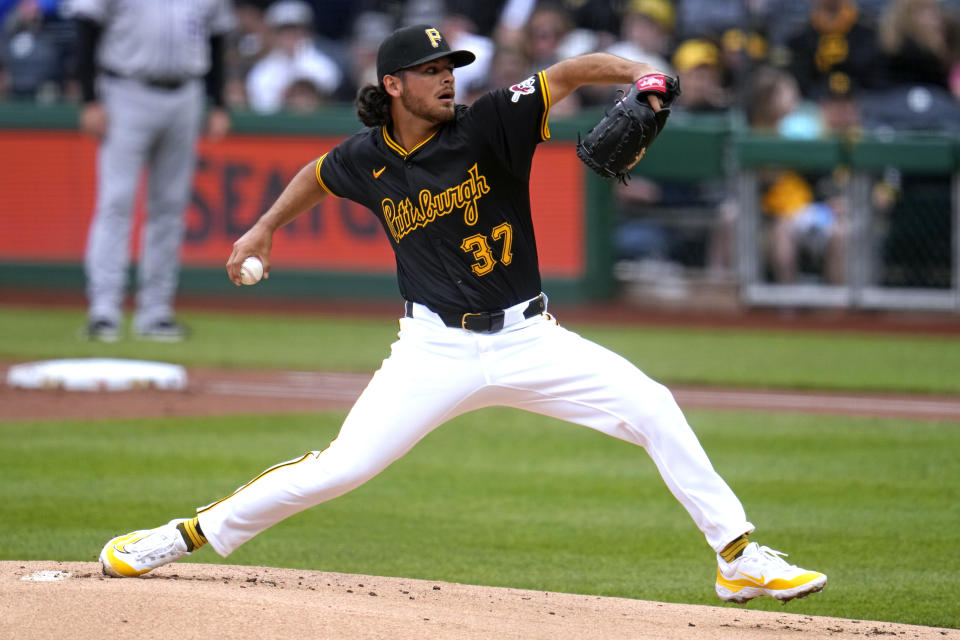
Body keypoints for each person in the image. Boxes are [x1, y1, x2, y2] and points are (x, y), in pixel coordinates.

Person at [97, 24, 828, 606]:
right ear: (393, 85)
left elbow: (570, 73)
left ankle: (739, 558)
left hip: (531, 337)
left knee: (654, 407)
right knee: (338, 470)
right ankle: (181, 535)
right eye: (431, 69)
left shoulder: (489, 125)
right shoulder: (367, 157)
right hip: (432, 351)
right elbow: (316, 175)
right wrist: (262, 229)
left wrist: (646, 76)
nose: (448, 76)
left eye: (451, 65)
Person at [72, 0, 235, 342]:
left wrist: (218, 102)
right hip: (126, 90)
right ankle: (104, 311)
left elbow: (217, 38)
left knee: (170, 208)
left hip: (186, 94)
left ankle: (156, 312)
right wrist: (89, 98)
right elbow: (86, 28)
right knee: (116, 202)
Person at [245, 0, 341, 114]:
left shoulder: (325, 67)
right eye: (283, 31)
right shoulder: (261, 72)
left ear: (307, 31)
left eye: (295, 30)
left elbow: (327, 106)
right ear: (274, 34)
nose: (289, 37)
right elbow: (263, 111)